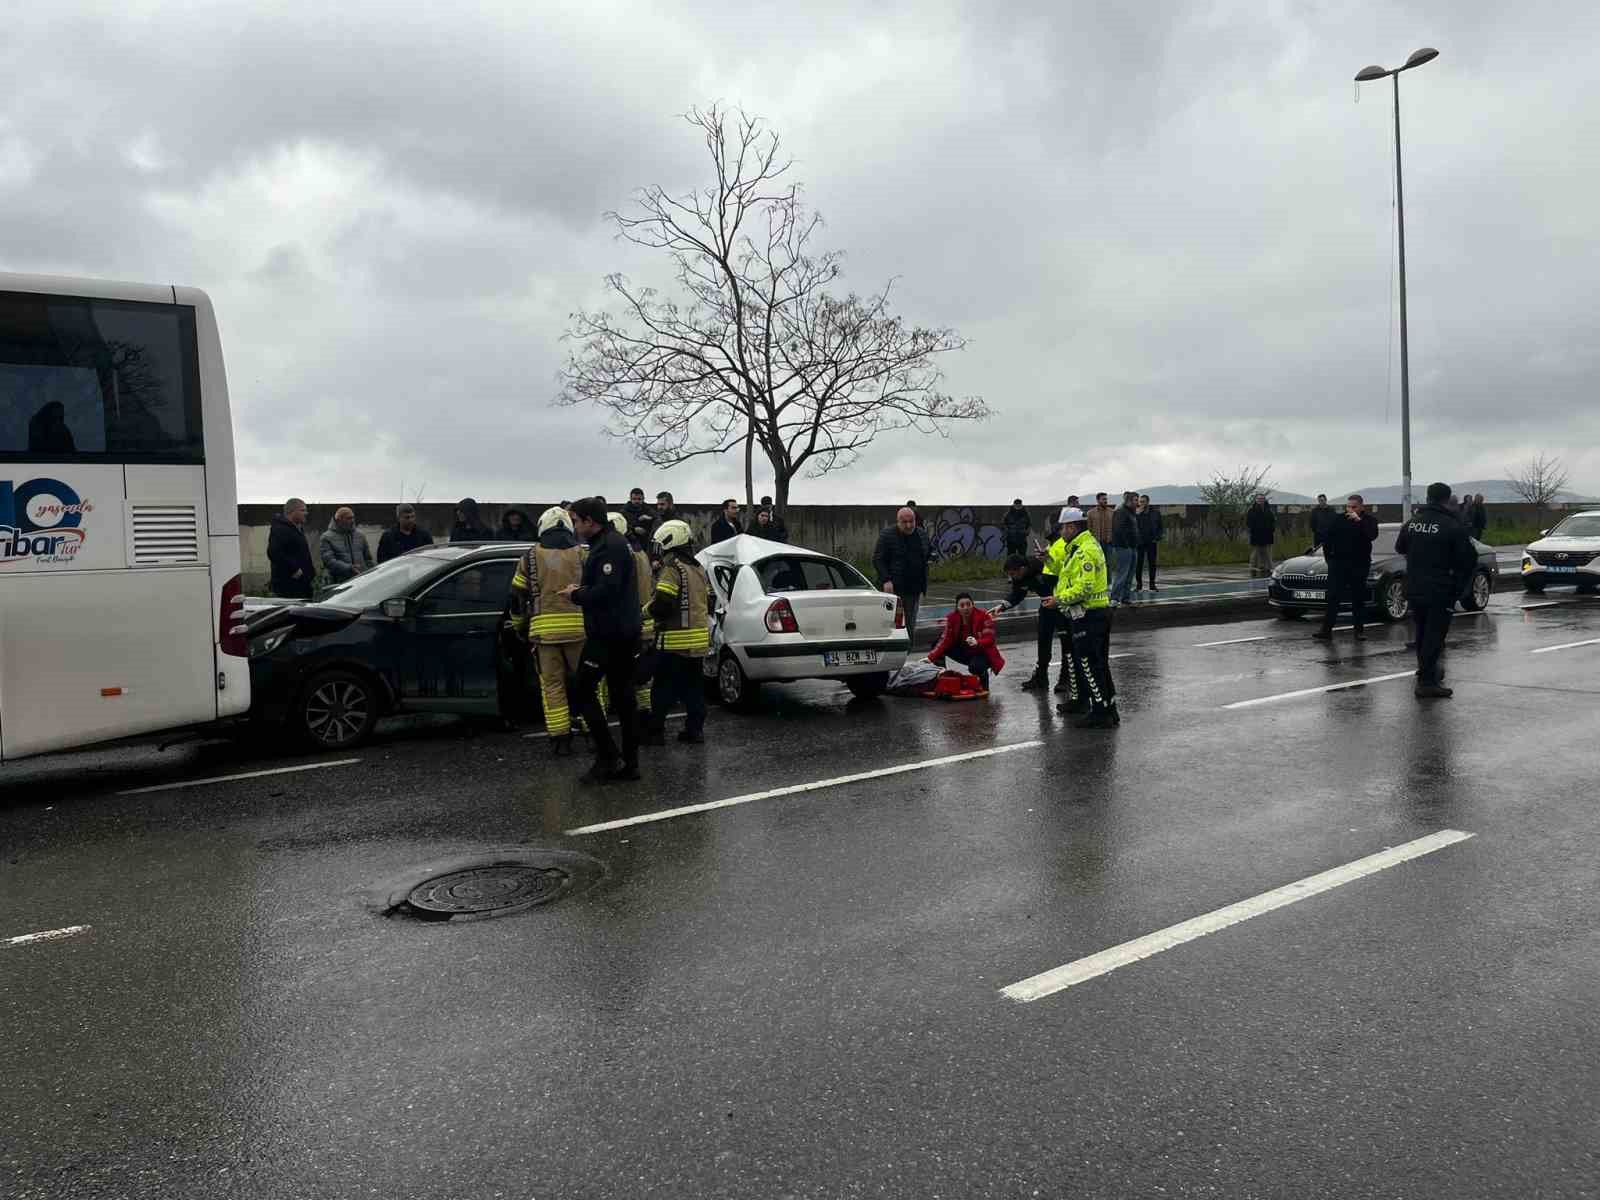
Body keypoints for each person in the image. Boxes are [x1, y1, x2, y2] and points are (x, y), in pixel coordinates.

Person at [560, 497, 642, 782]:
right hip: (619, 632)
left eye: (576, 520)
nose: (574, 525)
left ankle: (610, 757)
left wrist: (576, 595)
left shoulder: (610, 547)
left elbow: (607, 592)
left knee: (582, 689)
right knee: (622, 696)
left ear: (589, 522)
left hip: (610, 635)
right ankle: (628, 764)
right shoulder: (607, 543)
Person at [508, 506, 587, 756]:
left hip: (545, 635)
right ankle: (594, 733)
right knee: (590, 683)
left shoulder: (530, 557)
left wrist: (520, 626)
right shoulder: (582, 554)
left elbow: (517, 598)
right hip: (579, 631)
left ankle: (560, 739)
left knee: (552, 686)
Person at [1395, 482, 1478, 699]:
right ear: (1446, 499)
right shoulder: (1451, 525)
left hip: (1414, 586)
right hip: (1440, 588)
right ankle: (1427, 682)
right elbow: (1468, 559)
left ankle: (1427, 671)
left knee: (1422, 632)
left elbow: (1400, 547)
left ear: (1429, 497)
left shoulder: (1412, 523)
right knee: (1435, 635)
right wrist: (1458, 583)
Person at [1044, 507, 1118, 727]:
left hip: (1089, 614)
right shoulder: (1077, 547)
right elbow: (1065, 573)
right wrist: (1048, 559)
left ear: (1072, 527)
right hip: (1094, 613)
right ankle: (1108, 708)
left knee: (1090, 664)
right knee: (1100, 664)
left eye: (1063, 528)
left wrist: (1059, 600)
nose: (1061, 532)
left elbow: (1083, 587)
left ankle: (1100, 712)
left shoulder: (1085, 550)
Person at [642, 519, 711, 746]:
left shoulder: (672, 567)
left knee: (662, 688)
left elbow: (663, 603)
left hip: (674, 641)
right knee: (694, 688)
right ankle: (695, 731)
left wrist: (644, 612)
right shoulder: (698, 568)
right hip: (698, 640)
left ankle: (655, 733)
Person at [992, 552, 1070, 693]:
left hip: (1062, 604)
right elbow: (1017, 594)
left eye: (1013, 574)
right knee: (1043, 640)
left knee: (1066, 643)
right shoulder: (1019, 577)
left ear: (1022, 569)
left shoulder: (1042, 567)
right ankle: (1041, 677)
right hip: (1046, 604)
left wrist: (1060, 600)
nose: (1012, 577)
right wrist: (1002, 606)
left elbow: (1066, 580)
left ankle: (1066, 678)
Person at [611, 511, 657, 721]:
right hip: (644, 621)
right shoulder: (640, 553)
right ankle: (645, 714)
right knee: (642, 676)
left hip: (626, 622)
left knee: (623, 674)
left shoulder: (622, 555)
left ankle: (630, 717)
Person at [1314, 494, 1378, 641]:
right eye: (1348, 507)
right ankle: (1326, 630)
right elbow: (1327, 540)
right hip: (1339, 565)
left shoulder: (1369, 521)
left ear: (1361, 507)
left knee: (1358, 598)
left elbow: (1371, 535)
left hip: (1359, 565)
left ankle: (1359, 631)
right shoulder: (1338, 519)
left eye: (1354, 507)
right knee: (1333, 596)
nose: (1350, 510)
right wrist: (1330, 560)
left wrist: (1359, 521)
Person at [927, 593, 1005, 690]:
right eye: (962, 605)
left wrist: (977, 642)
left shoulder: (983, 616)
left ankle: (983, 680)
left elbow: (990, 639)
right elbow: (945, 640)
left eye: (968, 604)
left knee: (976, 667)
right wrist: (930, 658)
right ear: (957, 608)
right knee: (936, 644)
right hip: (964, 652)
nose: (966, 608)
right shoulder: (952, 618)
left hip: (982, 653)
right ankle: (942, 677)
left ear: (973, 605)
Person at [873, 507, 931, 633]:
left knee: (910, 625)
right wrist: (886, 580)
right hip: (894, 589)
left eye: (911, 521)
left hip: (914, 589)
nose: (909, 525)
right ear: (898, 521)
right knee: (892, 624)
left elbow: (927, 552)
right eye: (904, 522)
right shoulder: (887, 535)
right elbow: (878, 559)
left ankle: (908, 650)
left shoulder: (921, 534)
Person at [267, 498, 315, 599]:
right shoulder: (280, 528)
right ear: (292, 512)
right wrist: (295, 570)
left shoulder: (297, 528)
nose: (306, 513)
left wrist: (310, 573)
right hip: (289, 587)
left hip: (302, 585)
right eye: (302, 510)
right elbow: (273, 552)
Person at [318, 506, 374, 582]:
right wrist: (348, 568)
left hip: (361, 579)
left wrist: (373, 573)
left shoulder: (360, 536)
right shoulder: (326, 537)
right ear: (338, 520)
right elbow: (329, 561)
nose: (352, 521)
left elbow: (368, 559)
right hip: (340, 582)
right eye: (348, 518)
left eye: (353, 518)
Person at [1109, 491, 1140, 606]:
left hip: (1132, 547)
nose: (1137, 502)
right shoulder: (1121, 511)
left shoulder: (1131, 512)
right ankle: (1114, 597)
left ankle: (1125, 597)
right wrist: (1126, 544)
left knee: (1130, 573)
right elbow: (1118, 530)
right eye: (1136, 500)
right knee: (1122, 573)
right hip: (1123, 547)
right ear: (1129, 501)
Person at [1135, 494, 1163, 594]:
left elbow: (1160, 526)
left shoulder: (1155, 513)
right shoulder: (1136, 513)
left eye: (1143, 501)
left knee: (1152, 564)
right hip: (1140, 542)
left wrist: (1157, 537)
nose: (1141, 503)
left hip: (1152, 542)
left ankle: (1152, 584)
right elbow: (1132, 526)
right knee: (1139, 564)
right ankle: (1139, 585)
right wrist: (1137, 514)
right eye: (1140, 501)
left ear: (1148, 502)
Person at [1246, 494, 1276, 577]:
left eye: (1262, 499)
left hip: (1267, 534)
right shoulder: (1252, 510)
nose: (1260, 500)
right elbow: (1249, 523)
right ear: (1256, 500)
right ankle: (1253, 567)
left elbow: (1272, 521)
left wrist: (1272, 529)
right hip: (1256, 534)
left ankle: (1268, 567)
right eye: (1259, 499)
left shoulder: (1268, 510)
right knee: (1255, 552)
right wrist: (1255, 530)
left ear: (1264, 500)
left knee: (1267, 552)